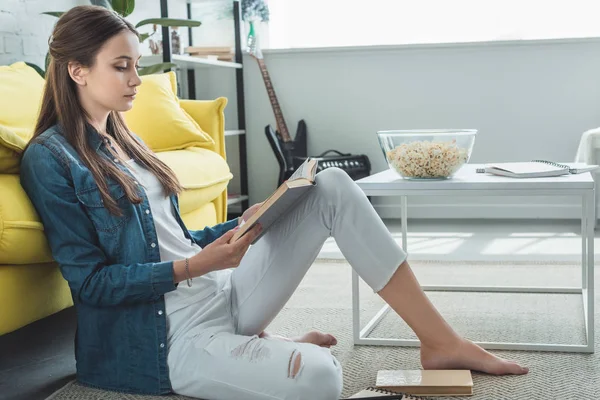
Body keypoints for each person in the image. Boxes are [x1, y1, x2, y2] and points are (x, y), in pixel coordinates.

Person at [19, 5, 528, 400]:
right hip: (167, 336)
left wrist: (244, 221)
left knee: (330, 186)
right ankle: (272, 349)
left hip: (221, 294)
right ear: (77, 71)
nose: (136, 79)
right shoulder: (51, 160)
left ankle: (440, 341)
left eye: (138, 65)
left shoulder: (126, 140)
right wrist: (195, 265)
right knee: (320, 379)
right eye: (121, 67)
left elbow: (170, 238)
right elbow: (89, 283)